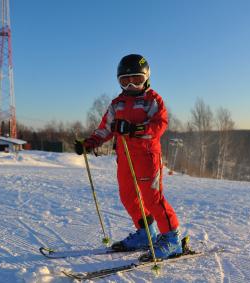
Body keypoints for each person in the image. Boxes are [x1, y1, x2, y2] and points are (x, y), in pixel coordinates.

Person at [74, 54, 182, 259]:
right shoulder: (117, 104)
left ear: (146, 78)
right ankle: (146, 233)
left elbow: (159, 126)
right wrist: (89, 144)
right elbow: (105, 129)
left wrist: (134, 128)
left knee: (153, 199)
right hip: (125, 159)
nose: (131, 85)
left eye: (137, 79)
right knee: (128, 197)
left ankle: (172, 239)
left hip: (147, 157)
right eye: (125, 80)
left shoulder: (152, 100)